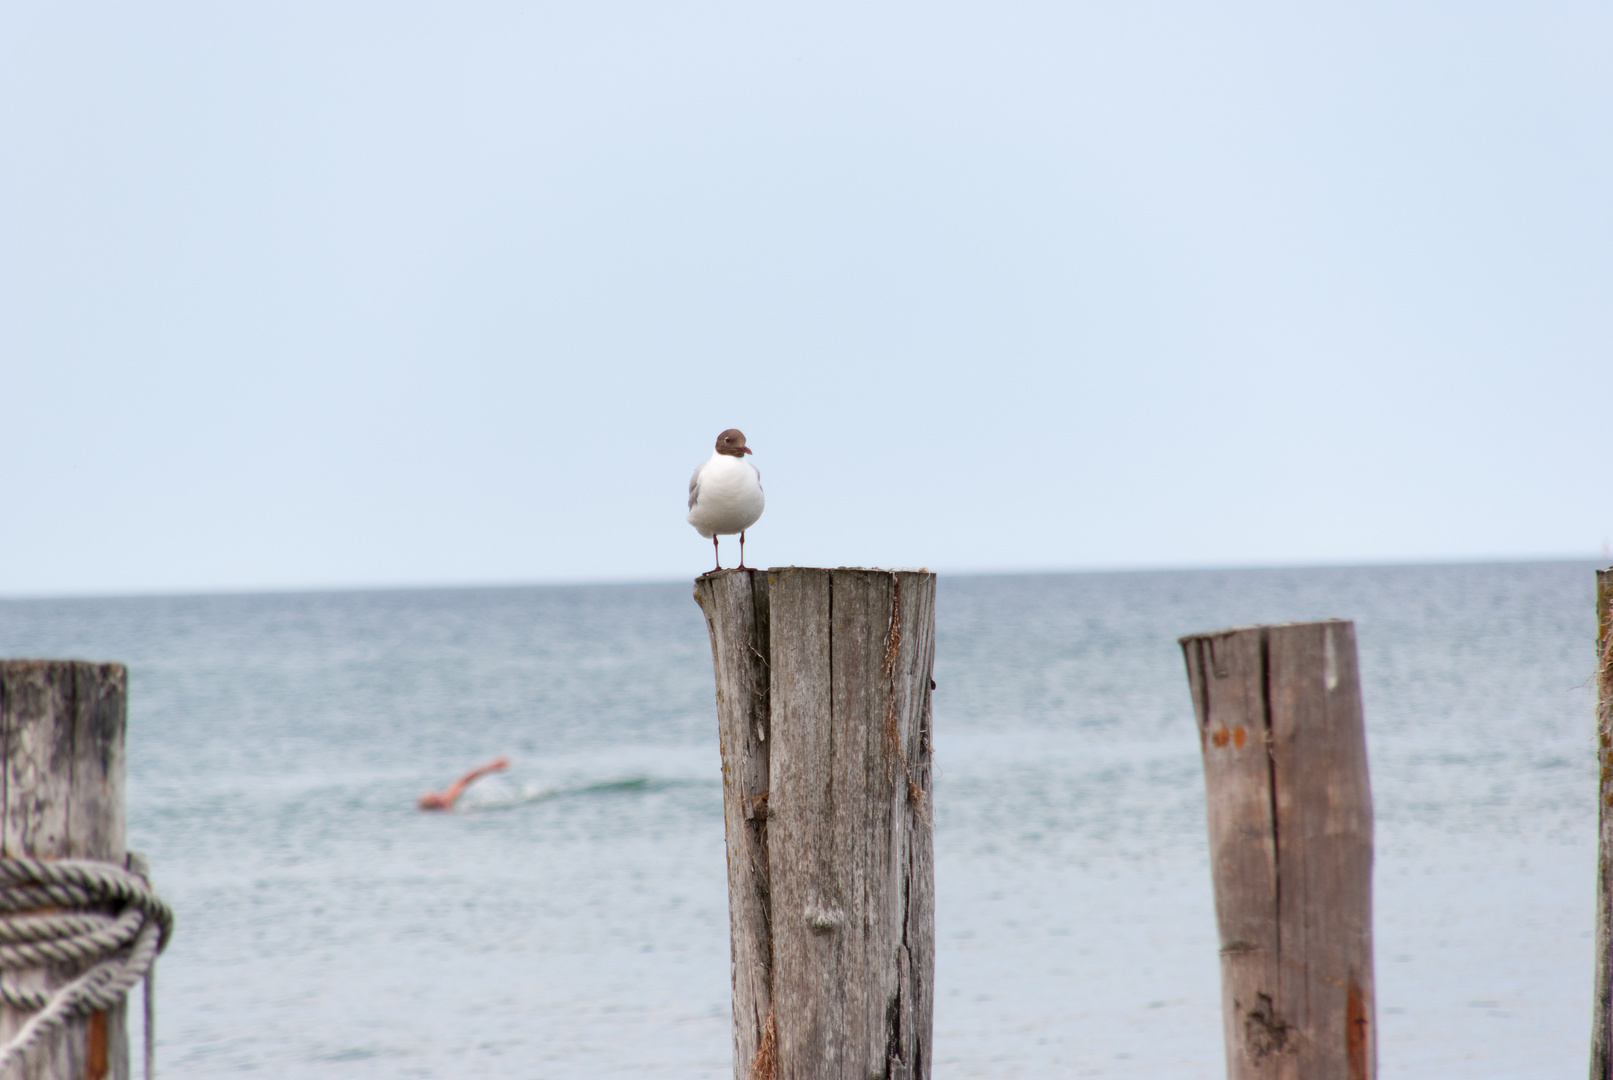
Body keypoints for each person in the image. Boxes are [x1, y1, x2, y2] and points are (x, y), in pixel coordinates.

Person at [418, 756, 509, 811]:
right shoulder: (446, 802)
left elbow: (466, 779)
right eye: (438, 800)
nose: (441, 798)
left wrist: (491, 767)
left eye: (438, 797)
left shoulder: (447, 798)